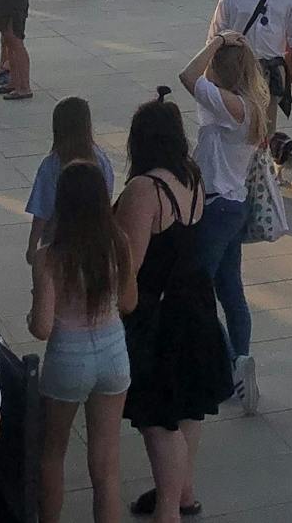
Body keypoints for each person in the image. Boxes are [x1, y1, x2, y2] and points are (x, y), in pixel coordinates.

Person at [113, 95, 234, 523]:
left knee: (157, 417)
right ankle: (182, 492)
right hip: (195, 303)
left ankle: (167, 509)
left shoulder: (144, 190)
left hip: (158, 314)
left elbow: (132, 265)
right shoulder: (192, 177)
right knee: (187, 407)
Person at [29, 158, 136, 523]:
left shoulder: (50, 256)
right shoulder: (118, 242)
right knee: (106, 467)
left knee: (52, 452)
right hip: (113, 353)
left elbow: (43, 328)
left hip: (68, 357)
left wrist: (33, 315)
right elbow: (129, 302)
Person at [180, 29, 271, 415]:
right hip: (235, 207)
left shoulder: (228, 105)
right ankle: (242, 360)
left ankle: (228, 360)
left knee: (195, 289)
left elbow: (187, 76)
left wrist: (214, 43)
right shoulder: (254, 107)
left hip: (213, 207)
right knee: (231, 290)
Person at [27, 97, 116, 263]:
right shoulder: (100, 159)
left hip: (58, 239)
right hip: (94, 237)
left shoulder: (52, 165)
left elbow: (42, 209)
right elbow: (107, 195)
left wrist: (32, 246)